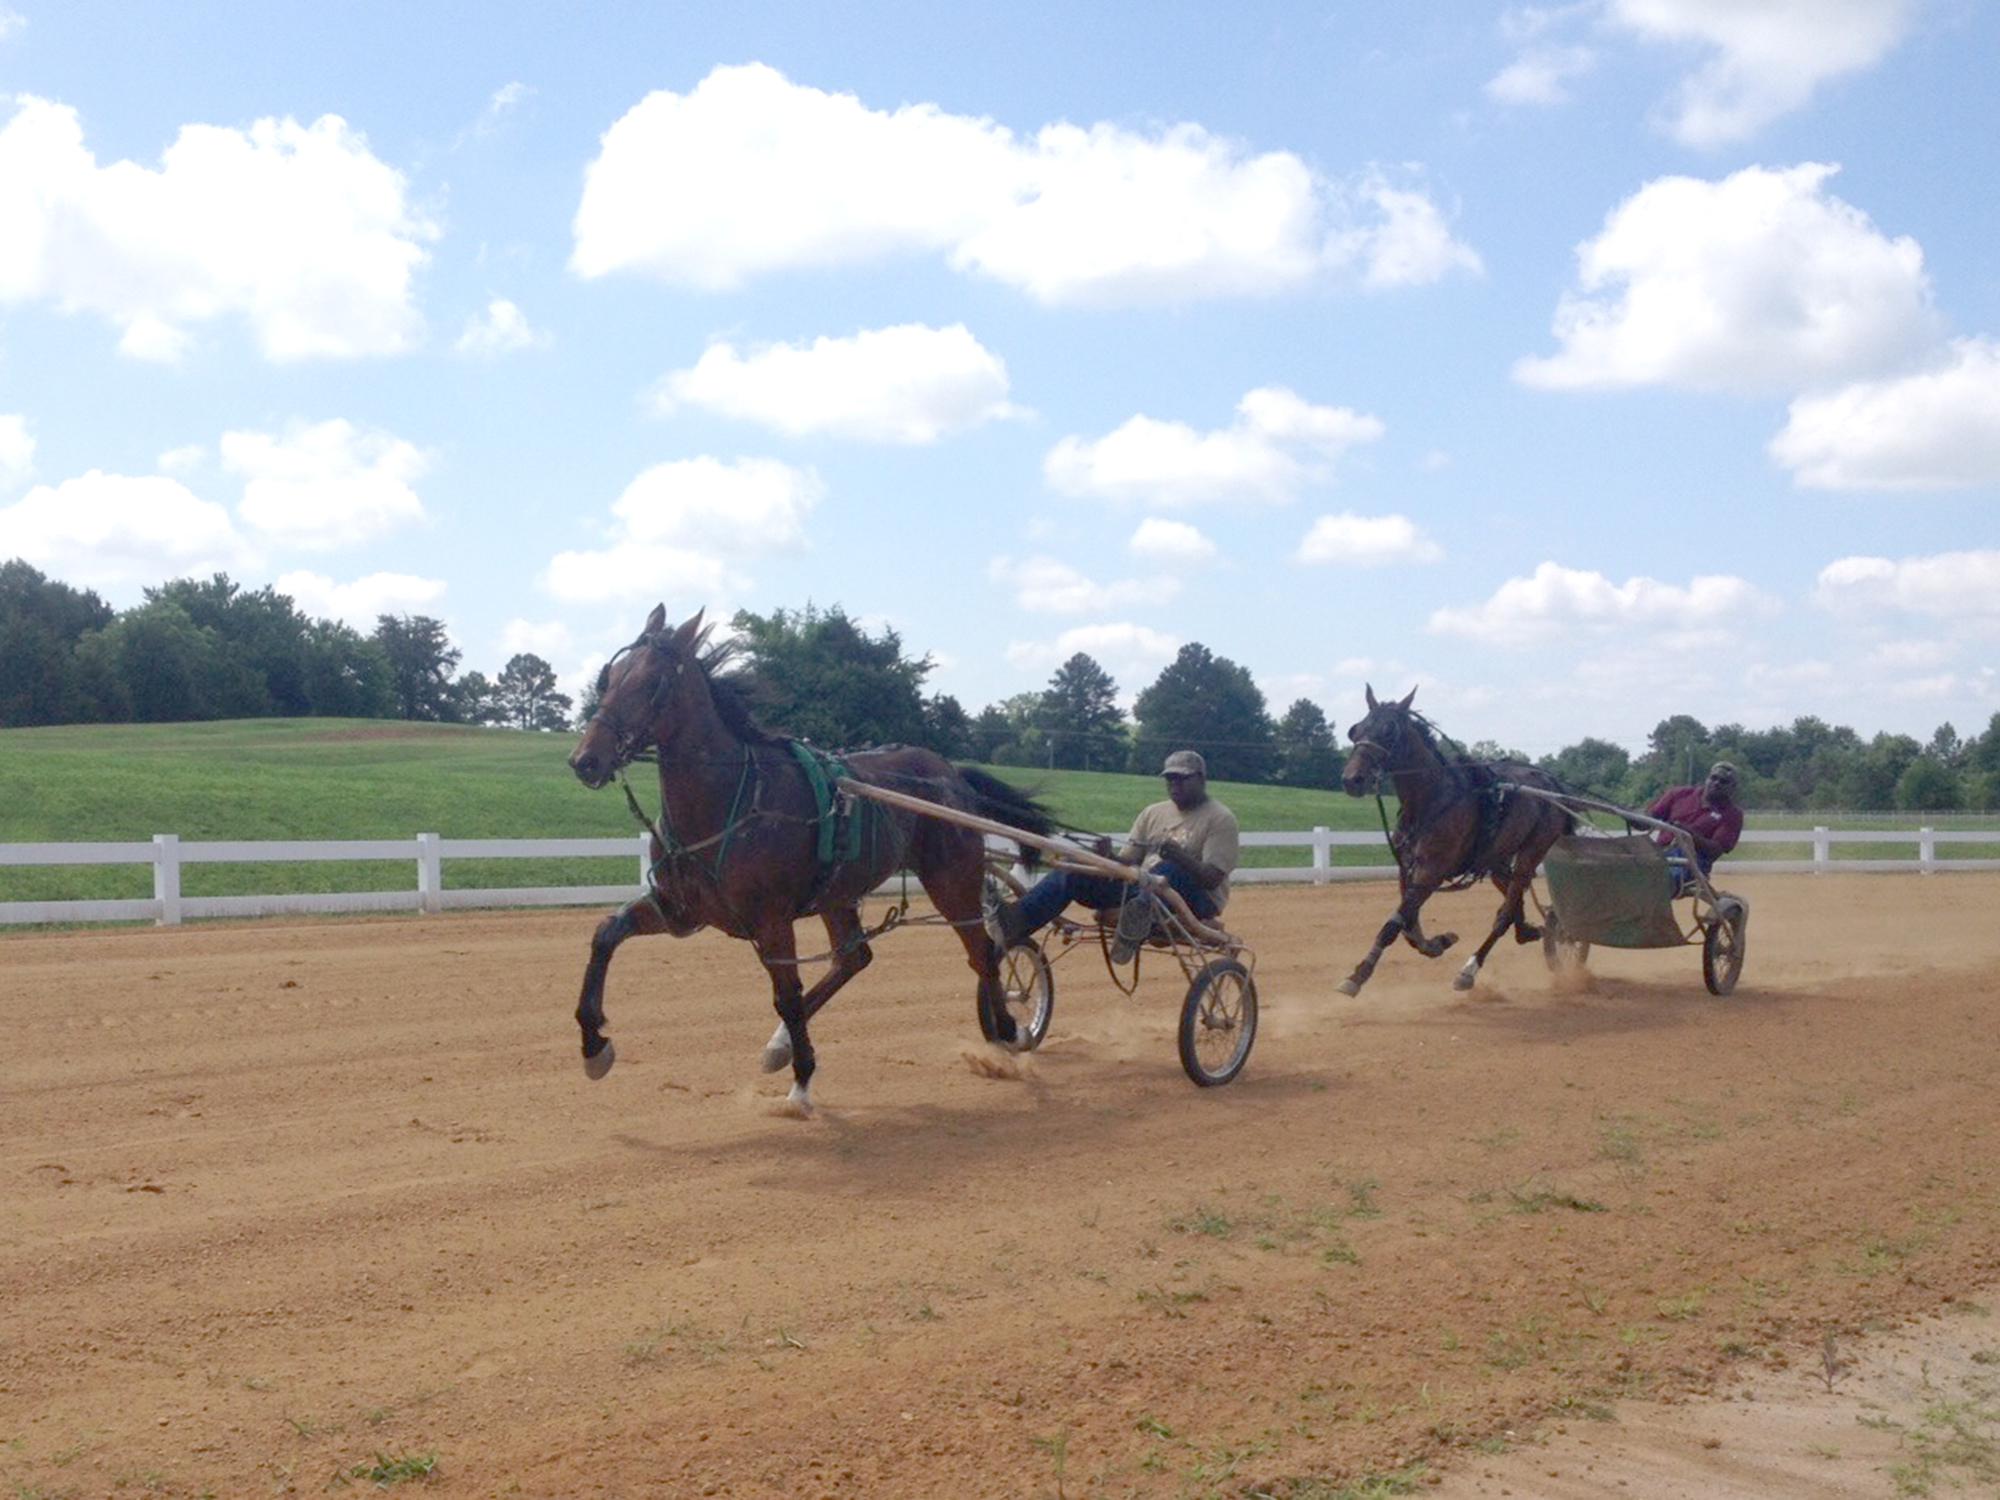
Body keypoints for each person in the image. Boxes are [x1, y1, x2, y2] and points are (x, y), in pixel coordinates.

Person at [985, 749, 1239, 961]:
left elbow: (1212, 879)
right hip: (1144, 889)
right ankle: (1016, 921)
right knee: (1073, 867)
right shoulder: (1153, 813)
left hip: (1196, 899)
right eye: (1170, 779)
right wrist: (1106, 857)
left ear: (1202, 779)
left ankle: (1134, 926)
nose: (1175, 785)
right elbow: (1128, 863)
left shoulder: (1219, 818)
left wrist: (1179, 856)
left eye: (1182, 779)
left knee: (1169, 870)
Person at [1648, 760, 1744, 893]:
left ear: (1732, 788)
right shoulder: (1678, 794)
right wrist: (1625, 814)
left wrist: (1688, 834)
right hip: (1659, 853)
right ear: (1707, 779)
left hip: (1693, 863)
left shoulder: (1732, 814)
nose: (1716, 783)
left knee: (1659, 880)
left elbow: (1715, 851)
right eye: (1714, 778)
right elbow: (1647, 821)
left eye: (1723, 781)